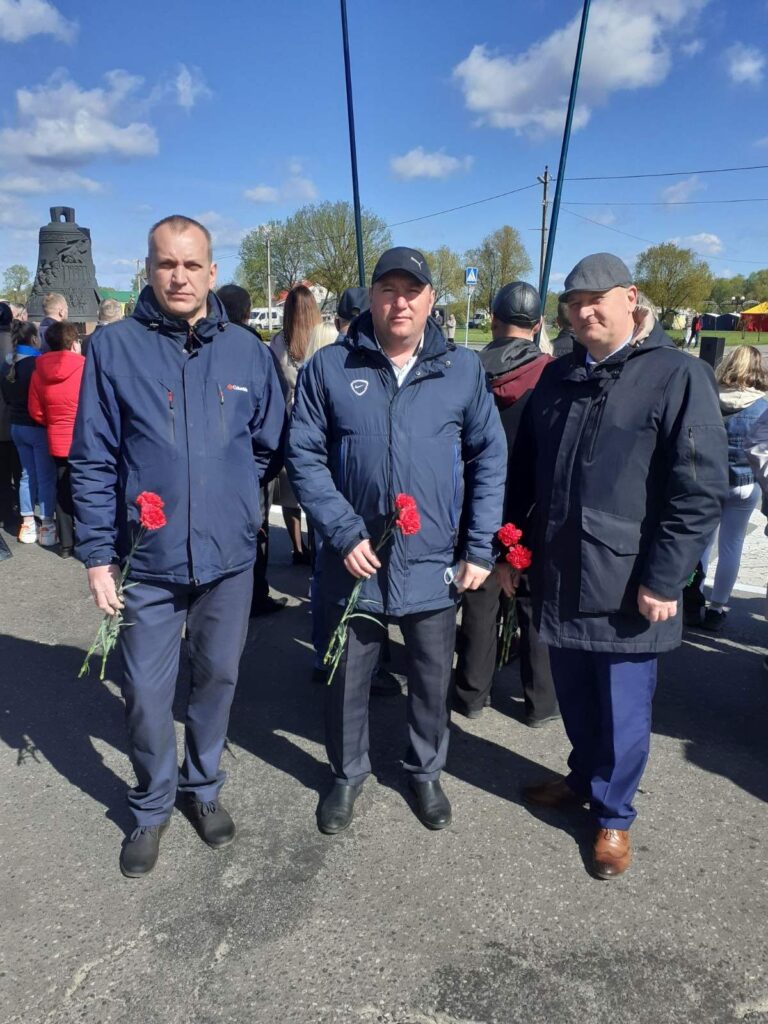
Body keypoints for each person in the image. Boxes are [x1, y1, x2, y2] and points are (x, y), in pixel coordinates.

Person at [70, 215, 286, 878]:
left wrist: (230, 497)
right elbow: (93, 458)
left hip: (228, 560)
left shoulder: (246, 351)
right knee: (144, 690)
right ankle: (151, 803)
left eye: (193, 265)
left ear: (212, 272)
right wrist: (98, 555)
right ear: (149, 268)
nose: (180, 276)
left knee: (217, 679)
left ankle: (203, 785)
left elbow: (266, 443)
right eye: (167, 263)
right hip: (148, 561)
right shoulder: (114, 349)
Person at [502, 252, 727, 880]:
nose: (583, 312)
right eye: (573, 303)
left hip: (630, 584)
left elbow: (698, 488)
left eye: (596, 300)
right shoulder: (558, 375)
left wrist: (666, 576)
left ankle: (614, 816)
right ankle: (584, 778)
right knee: (575, 695)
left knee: (623, 709)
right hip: (561, 572)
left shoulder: (677, 375)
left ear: (631, 298)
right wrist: (510, 550)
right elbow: (525, 473)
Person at [287, 246, 506, 834]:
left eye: (413, 291)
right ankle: (346, 773)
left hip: (432, 560)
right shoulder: (330, 367)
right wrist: (341, 529)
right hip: (354, 558)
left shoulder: (461, 369)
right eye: (388, 290)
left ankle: (425, 770)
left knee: (432, 678)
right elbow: (303, 455)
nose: (400, 302)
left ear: (431, 299)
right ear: (373, 297)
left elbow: (489, 457)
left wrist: (478, 546)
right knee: (346, 679)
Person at [454, 281, 558, 726]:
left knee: (479, 597)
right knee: (533, 602)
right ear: (537, 325)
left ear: (493, 320)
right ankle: (541, 702)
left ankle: (471, 692)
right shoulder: (552, 375)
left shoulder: (468, 371)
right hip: (531, 502)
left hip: (478, 497)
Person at [217, 282, 288, 618]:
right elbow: (276, 410)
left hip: (223, 464)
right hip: (250, 464)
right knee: (255, 529)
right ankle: (254, 595)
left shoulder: (202, 346)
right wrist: (262, 470)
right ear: (247, 313)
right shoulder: (257, 351)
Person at [696, 346, 768, 631]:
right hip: (745, 483)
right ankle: (717, 607)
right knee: (731, 545)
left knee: (703, 543)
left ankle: (693, 599)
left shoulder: (709, 398)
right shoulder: (762, 406)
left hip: (709, 480)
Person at [270, 285, 320, 564]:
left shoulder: (279, 342)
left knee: (290, 492)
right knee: (316, 486)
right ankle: (316, 545)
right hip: (318, 424)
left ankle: (298, 549)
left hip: (288, 422)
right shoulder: (322, 338)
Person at [26, 320, 85, 558]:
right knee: (86, 489)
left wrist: (53, 422)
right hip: (83, 437)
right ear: (73, 342)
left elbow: (35, 410)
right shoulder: (84, 367)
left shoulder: (38, 370)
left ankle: (66, 544)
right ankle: (87, 539)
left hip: (56, 437)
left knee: (62, 489)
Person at [0, 320, 58, 545]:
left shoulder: (7, 364)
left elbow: (6, 396)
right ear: (34, 339)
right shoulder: (38, 364)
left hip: (16, 425)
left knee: (26, 475)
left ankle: (27, 524)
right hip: (37, 425)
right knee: (45, 476)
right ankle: (47, 525)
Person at [0, 301, 21, 534]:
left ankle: (5, 512)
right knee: (19, 472)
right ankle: (21, 516)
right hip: (15, 419)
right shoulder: (17, 347)